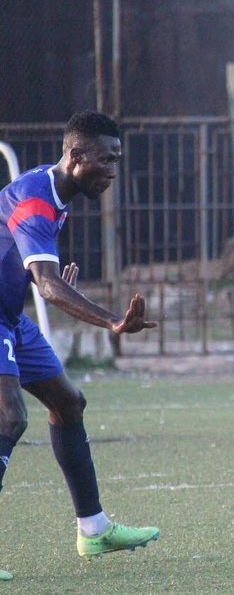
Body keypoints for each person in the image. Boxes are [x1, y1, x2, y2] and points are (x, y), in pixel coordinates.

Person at [0, 111, 160, 581]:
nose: (112, 170)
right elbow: (48, 286)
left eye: (116, 160)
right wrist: (111, 320)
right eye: (105, 160)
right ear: (74, 157)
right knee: (10, 416)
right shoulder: (34, 198)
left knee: (68, 403)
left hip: (9, 317)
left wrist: (42, 282)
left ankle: (94, 530)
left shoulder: (55, 192)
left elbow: (25, 267)